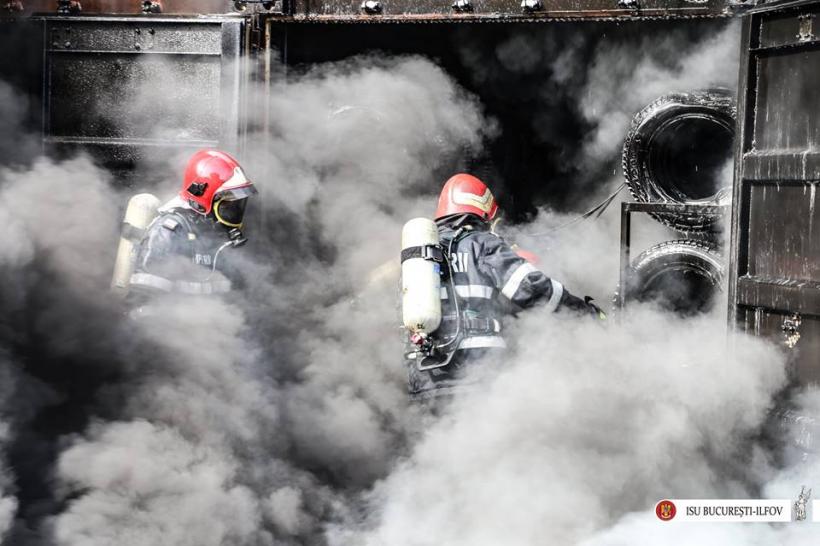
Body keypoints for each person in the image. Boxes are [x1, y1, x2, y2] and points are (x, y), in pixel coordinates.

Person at [405, 173, 604, 400]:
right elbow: (534, 290)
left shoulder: (417, 257)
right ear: (483, 212)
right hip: (475, 378)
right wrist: (586, 313)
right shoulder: (481, 244)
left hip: (424, 385)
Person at [128, 149, 257, 302]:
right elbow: (144, 299)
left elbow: (235, 293)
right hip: (173, 324)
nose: (234, 207)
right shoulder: (169, 231)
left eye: (237, 202)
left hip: (215, 322)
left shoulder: (217, 233)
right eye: (228, 202)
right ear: (203, 195)